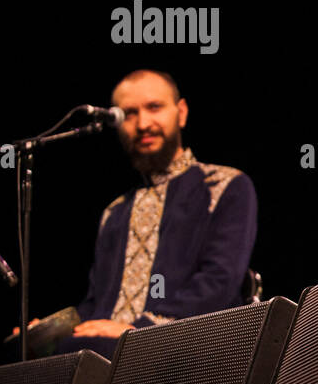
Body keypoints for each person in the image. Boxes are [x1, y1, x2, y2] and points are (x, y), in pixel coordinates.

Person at [53, 69, 257, 358]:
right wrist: (51, 330)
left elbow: (218, 282)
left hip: (183, 353)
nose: (143, 123)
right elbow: (96, 305)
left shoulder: (224, 185)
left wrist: (135, 330)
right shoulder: (115, 211)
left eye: (154, 107)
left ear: (181, 112)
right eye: (129, 114)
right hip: (102, 356)